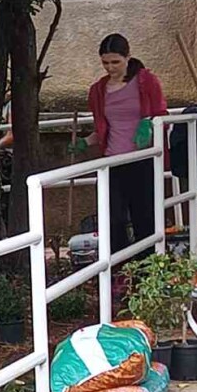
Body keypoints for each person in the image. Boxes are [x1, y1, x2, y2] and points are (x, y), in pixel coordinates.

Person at [71, 33, 168, 263]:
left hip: (142, 160)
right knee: (112, 220)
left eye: (115, 62)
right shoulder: (98, 90)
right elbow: (102, 129)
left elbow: (162, 115)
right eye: (105, 62)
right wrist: (85, 142)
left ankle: (148, 268)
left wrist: (149, 124)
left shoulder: (146, 81)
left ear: (128, 57)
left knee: (144, 218)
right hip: (112, 162)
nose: (110, 68)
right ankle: (120, 270)